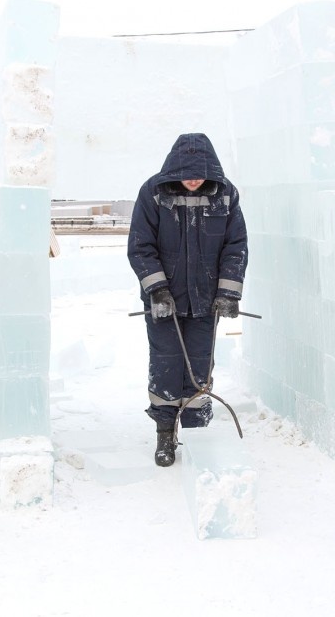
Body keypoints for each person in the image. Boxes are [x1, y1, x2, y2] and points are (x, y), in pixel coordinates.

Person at [127, 133, 248, 467]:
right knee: (166, 365)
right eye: (187, 173)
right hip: (164, 301)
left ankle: (198, 434)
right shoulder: (153, 193)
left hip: (205, 302)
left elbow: (235, 247)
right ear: (173, 169)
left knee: (199, 367)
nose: (194, 179)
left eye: (200, 173)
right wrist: (157, 289)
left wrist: (227, 293)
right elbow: (140, 246)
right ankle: (165, 433)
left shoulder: (225, 194)